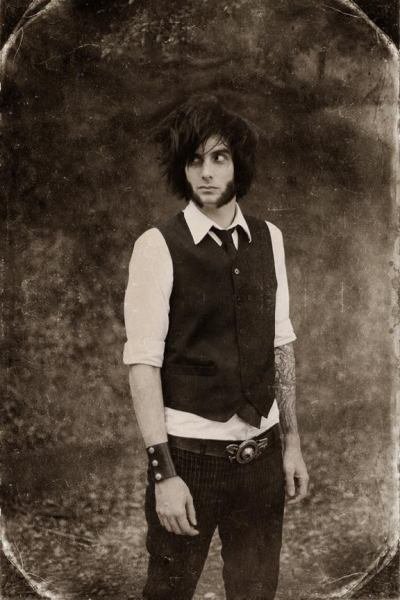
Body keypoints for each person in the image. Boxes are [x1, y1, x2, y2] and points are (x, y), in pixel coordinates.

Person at [123, 94, 309, 600]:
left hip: (263, 457)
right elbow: (143, 365)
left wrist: (291, 444)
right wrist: (164, 474)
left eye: (219, 157)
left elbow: (281, 343)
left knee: (256, 591)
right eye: (194, 160)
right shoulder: (156, 246)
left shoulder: (270, 238)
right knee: (168, 591)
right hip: (190, 461)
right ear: (181, 168)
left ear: (238, 163)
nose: (206, 172)